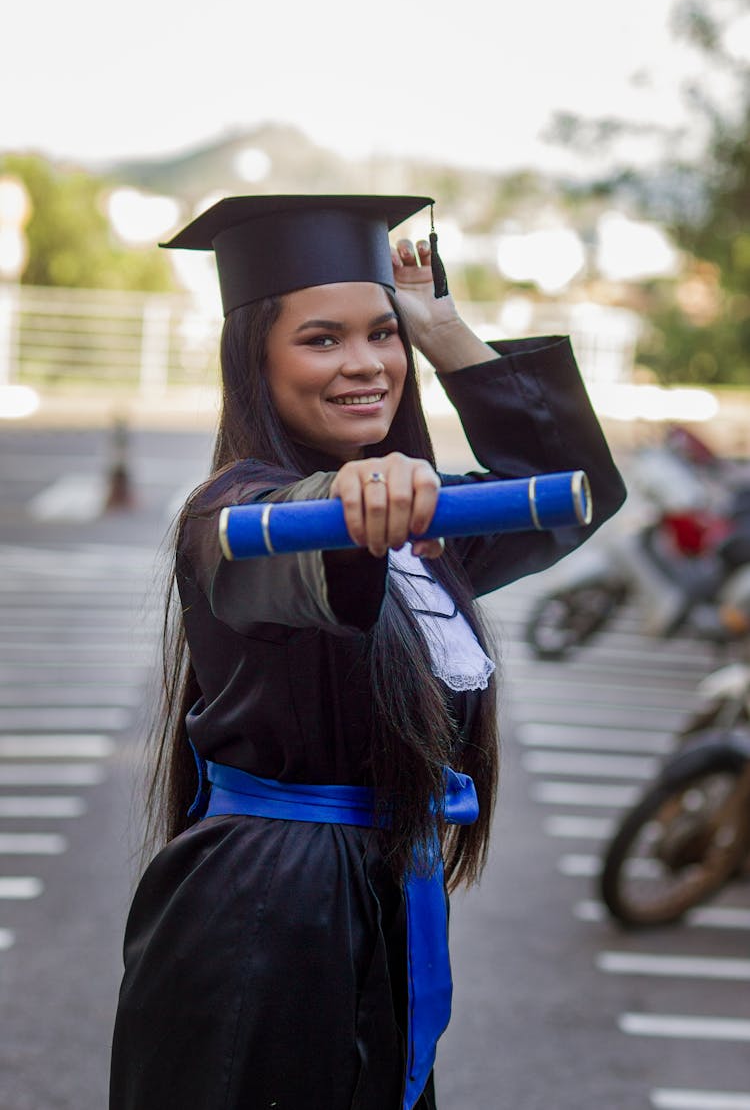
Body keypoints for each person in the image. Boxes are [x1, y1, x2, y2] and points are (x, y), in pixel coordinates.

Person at [109, 194, 626, 1110]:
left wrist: (441, 327)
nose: (365, 364)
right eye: (321, 339)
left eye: (381, 335)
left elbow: (576, 489)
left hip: (372, 901)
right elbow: (313, 559)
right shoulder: (234, 520)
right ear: (254, 356)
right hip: (265, 922)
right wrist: (363, 492)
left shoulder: (425, 530)